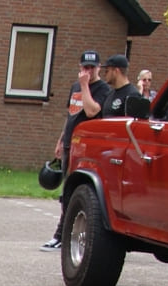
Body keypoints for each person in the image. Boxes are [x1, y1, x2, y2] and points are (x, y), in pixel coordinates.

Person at [40, 51, 112, 251]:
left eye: (91, 68)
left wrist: (84, 86)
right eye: (84, 67)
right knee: (66, 191)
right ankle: (62, 234)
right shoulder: (74, 87)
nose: (87, 71)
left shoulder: (102, 89)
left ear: (98, 68)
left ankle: (61, 234)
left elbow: (91, 111)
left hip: (86, 148)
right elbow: (70, 115)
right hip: (70, 145)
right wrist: (61, 140)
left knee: (74, 192)